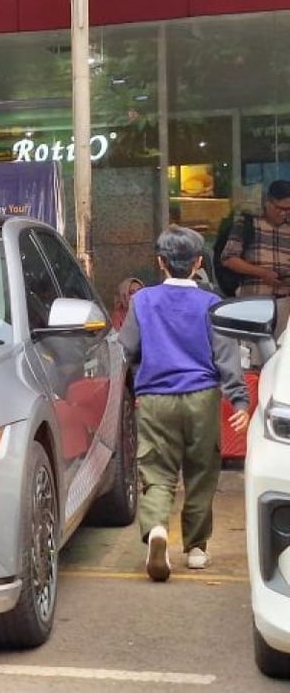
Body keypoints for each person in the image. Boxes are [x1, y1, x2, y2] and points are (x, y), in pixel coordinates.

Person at [118, 225, 251, 582]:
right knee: (202, 473)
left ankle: (157, 531)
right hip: (202, 398)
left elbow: (124, 350)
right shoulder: (211, 305)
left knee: (157, 473)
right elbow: (227, 357)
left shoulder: (141, 301)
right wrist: (239, 401)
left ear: (160, 262)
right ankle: (195, 549)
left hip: (155, 399)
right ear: (197, 263)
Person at [221, 179, 290, 337]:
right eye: (280, 208)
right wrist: (262, 273)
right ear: (268, 202)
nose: (284, 213)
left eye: (288, 209)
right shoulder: (248, 223)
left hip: (285, 303)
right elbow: (228, 258)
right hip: (254, 300)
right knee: (255, 353)